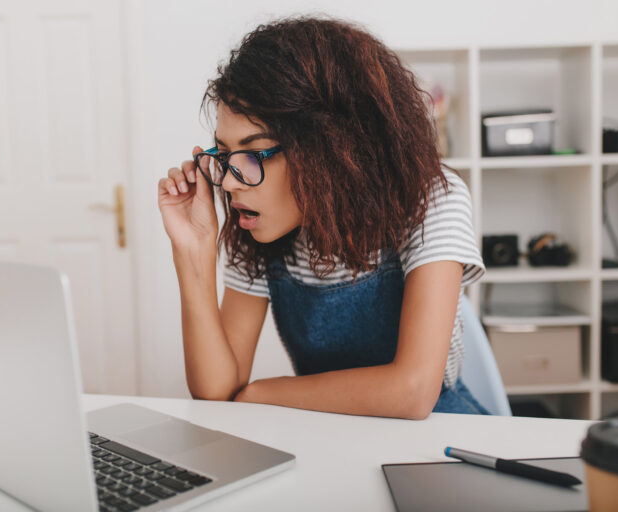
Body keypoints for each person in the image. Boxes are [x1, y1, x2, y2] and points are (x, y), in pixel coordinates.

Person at [158, 16, 487, 420]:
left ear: (329, 149)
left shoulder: (431, 199)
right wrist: (193, 254)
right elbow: (217, 389)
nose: (227, 182)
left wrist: (259, 393)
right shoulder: (260, 224)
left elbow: (413, 392)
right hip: (327, 431)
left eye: (252, 152)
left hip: (443, 433)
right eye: (224, 155)